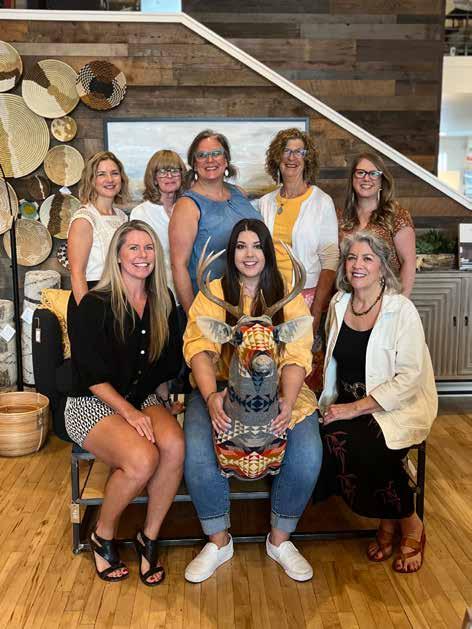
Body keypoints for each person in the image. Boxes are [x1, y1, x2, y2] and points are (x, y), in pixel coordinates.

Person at [183, 218, 322, 583]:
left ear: (268, 253)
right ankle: (218, 541)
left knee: (307, 452)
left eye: (257, 246)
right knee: (198, 449)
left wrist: (287, 402)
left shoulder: (285, 294)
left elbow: (297, 352)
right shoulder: (214, 292)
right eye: (241, 246)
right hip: (221, 388)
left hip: (280, 389)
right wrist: (210, 397)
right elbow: (199, 347)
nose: (249, 254)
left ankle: (280, 539)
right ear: (232, 253)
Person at [65, 220, 185, 586]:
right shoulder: (94, 304)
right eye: (133, 247)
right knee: (142, 459)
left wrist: (163, 400)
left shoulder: (162, 300)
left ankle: (148, 537)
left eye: (148, 248)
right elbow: (89, 373)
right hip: (91, 401)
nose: (142, 255)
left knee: (175, 445)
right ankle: (102, 534)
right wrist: (130, 413)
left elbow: (165, 362)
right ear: (117, 255)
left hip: (140, 396)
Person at [315, 230, 437, 574]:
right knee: (323, 439)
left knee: (361, 445)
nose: (358, 265)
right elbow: (332, 363)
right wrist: (332, 404)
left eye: (367, 258)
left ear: (383, 267)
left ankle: (409, 522)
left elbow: (409, 378)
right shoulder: (339, 303)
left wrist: (353, 409)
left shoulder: (401, 310)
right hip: (346, 400)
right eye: (352, 258)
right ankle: (388, 518)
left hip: (396, 406)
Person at [255, 128, 339, 392]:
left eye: (298, 152)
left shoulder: (321, 202)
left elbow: (330, 259)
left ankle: (302, 416)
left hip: (305, 299)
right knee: (269, 365)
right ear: (277, 158)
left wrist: (316, 313)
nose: (292, 157)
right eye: (286, 151)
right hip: (269, 297)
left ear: (307, 158)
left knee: (300, 368)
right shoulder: (265, 203)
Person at [169, 129, 260, 314]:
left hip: (250, 301)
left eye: (216, 153)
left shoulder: (239, 193)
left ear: (226, 160)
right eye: (202, 155)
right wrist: (194, 316)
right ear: (194, 164)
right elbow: (178, 266)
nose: (210, 160)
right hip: (211, 306)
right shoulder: (187, 205)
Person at [339, 151, 416, 297]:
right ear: (353, 179)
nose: (366, 178)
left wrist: (399, 303)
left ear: (382, 180)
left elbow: (409, 263)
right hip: (348, 299)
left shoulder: (396, 216)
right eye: (360, 173)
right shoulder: (341, 217)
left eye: (373, 174)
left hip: (386, 298)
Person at [68, 150, 128, 305]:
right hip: (93, 298)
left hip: (120, 296)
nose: (110, 179)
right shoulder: (84, 220)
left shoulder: (122, 218)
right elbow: (77, 274)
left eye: (114, 173)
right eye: (101, 174)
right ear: (91, 180)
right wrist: (86, 313)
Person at [130, 149, 187, 299]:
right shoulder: (141, 213)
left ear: (182, 176)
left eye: (174, 170)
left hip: (188, 291)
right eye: (162, 171)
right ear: (154, 178)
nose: (169, 176)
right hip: (155, 294)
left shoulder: (189, 209)